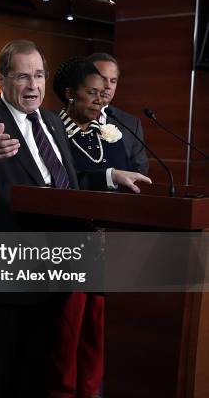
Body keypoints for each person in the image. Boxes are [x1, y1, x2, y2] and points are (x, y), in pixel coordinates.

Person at [0, 39, 151, 397]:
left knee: (35, 375)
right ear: (1, 78)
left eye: (39, 75)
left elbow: (62, 185)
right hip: (4, 274)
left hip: (51, 272)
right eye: (23, 77)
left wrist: (110, 176)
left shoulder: (52, 124)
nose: (33, 86)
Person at [46, 56, 136, 398]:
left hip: (104, 245)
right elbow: (59, 184)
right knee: (66, 334)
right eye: (92, 93)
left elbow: (128, 185)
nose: (102, 100)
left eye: (104, 93)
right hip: (66, 245)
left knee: (95, 332)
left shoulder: (111, 135)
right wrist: (108, 179)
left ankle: (88, 392)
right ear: (69, 94)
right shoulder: (50, 129)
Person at [88, 52, 149, 174]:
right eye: (102, 79)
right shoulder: (63, 119)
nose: (108, 86)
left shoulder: (131, 124)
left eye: (113, 81)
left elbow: (140, 169)